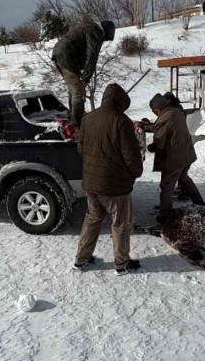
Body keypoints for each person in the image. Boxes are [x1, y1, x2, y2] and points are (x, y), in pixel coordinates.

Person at [74, 83, 144, 275]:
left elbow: (80, 149)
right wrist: (136, 172)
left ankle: (81, 259)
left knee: (92, 219)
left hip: (91, 183)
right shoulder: (121, 121)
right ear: (121, 102)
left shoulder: (87, 118)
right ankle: (121, 264)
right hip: (115, 185)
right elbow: (131, 156)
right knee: (121, 223)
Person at [147, 94, 205, 224]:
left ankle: (165, 215)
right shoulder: (175, 111)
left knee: (166, 186)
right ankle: (200, 203)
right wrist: (148, 126)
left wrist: (151, 147)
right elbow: (164, 127)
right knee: (184, 178)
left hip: (174, 159)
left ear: (156, 109)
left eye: (153, 111)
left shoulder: (164, 118)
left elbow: (159, 143)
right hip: (186, 155)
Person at [51, 20, 116, 127]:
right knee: (78, 93)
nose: (103, 41)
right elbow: (92, 55)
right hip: (67, 56)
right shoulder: (96, 32)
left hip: (61, 55)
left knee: (73, 89)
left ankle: (74, 118)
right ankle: (76, 126)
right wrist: (86, 78)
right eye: (105, 39)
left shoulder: (88, 27)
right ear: (105, 32)